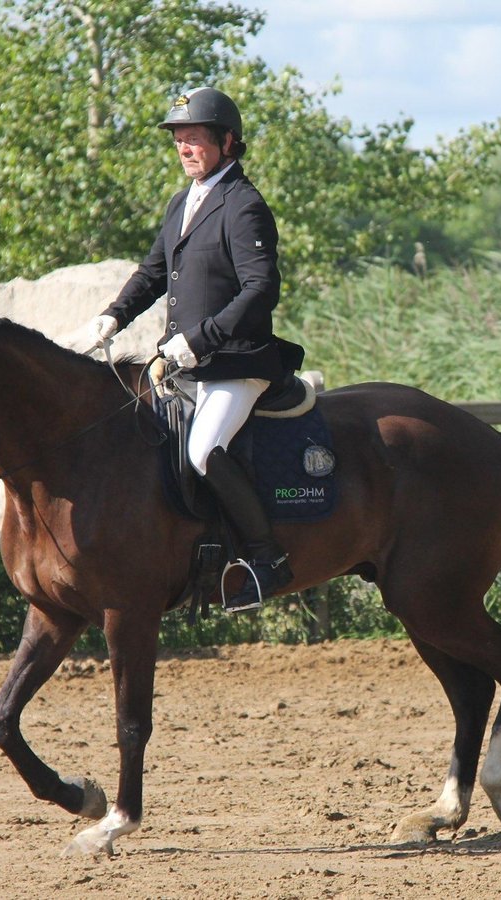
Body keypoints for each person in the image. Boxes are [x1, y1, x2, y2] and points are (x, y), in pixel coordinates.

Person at [85, 87, 302, 613]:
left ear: (228, 142)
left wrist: (197, 341)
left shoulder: (244, 204)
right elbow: (154, 272)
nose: (184, 148)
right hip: (187, 367)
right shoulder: (182, 202)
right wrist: (113, 315)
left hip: (235, 364)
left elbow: (260, 291)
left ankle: (267, 560)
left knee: (204, 450)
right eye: (179, 140)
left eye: (194, 139)